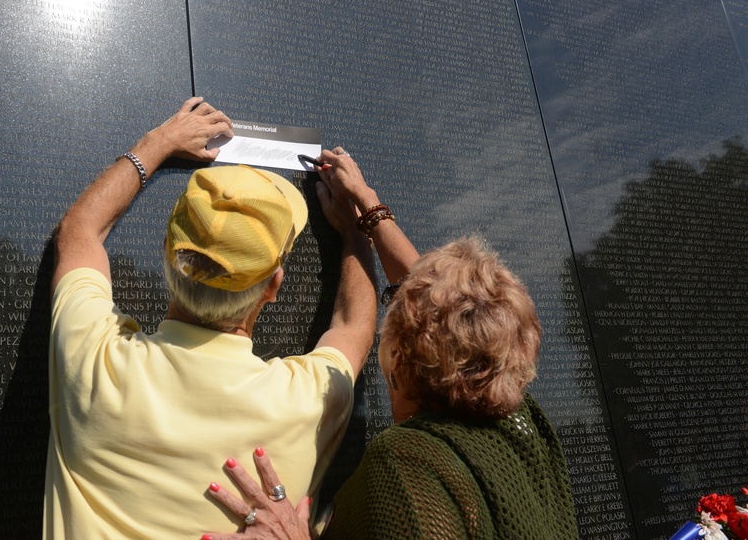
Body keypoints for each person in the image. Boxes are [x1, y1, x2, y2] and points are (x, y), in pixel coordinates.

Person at [44, 97, 378, 539]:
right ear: (274, 286)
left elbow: (80, 231)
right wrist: (356, 232)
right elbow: (354, 327)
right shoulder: (308, 401)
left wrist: (159, 142)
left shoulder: (93, 361)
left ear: (167, 252)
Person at [202, 149, 579, 540]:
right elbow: (442, 307)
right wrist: (367, 205)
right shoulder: (522, 420)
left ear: (398, 359)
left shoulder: (405, 465)